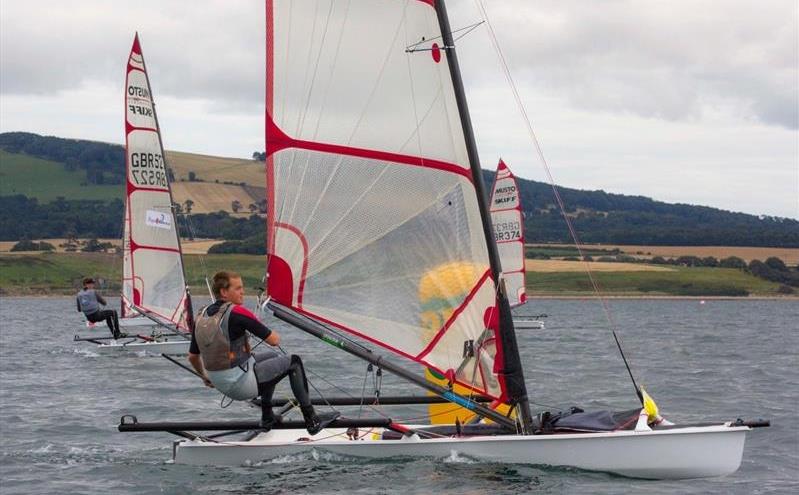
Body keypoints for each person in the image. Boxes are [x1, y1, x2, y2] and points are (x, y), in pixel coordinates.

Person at [187, 270, 339, 434]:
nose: (243, 292)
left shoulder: (201, 315)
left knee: (273, 358)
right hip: (240, 385)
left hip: (221, 383)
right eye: (238, 288)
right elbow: (274, 340)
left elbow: (193, 357)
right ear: (224, 292)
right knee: (294, 362)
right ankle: (312, 420)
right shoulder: (237, 312)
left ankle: (267, 416)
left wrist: (205, 377)